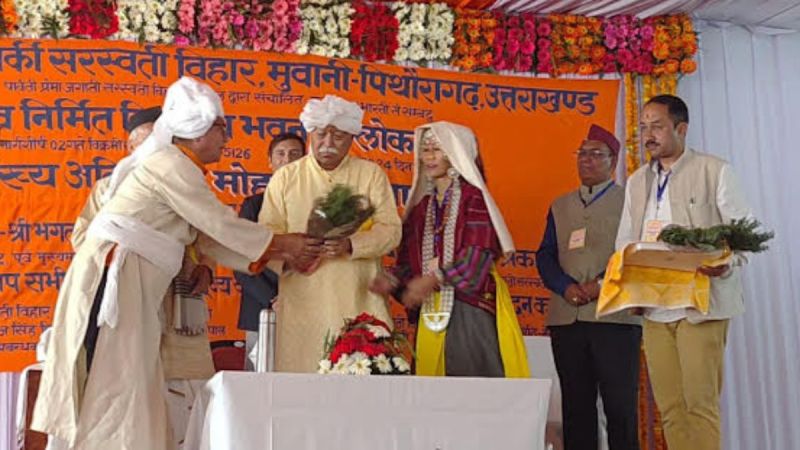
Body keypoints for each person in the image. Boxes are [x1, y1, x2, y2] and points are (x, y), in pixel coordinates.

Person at [32, 76, 318, 450]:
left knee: (135, 380)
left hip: (134, 283)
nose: (226, 139)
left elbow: (208, 237)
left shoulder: (178, 166)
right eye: (221, 129)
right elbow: (219, 224)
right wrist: (284, 245)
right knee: (117, 380)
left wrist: (280, 253)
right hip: (116, 280)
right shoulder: (171, 165)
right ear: (198, 132)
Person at [69, 105, 218, 448]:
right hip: (124, 296)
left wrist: (205, 266)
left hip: (175, 296)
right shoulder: (108, 188)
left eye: (157, 141)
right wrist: (138, 246)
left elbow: (206, 235)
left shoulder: (183, 180)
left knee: (178, 393)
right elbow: (83, 239)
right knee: (123, 380)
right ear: (130, 148)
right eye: (142, 143)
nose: (150, 150)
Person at [615, 95, 753, 450]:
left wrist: (725, 263)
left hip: (700, 303)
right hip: (655, 308)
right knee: (671, 408)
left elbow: (744, 232)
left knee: (699, 405)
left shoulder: (714, 170)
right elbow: (626, 241)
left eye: (657, 126)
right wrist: (629, 290)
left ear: (681, 128)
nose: (648, 134)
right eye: (643, 127)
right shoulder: (636, 181)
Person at [370, 121, 528, 378]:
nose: (428, 157)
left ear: (456, 155)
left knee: (470, 391)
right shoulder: (421, 208)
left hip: (470, 308)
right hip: (431, 310)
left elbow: (477, 259)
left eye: (437, 149)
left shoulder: (474, 199)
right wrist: (393, 281)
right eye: (425, 149)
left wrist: (433, 279)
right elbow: (409, 266)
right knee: (430, 393)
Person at [258, 94, 402, 373]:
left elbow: (391, 230)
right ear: (310, 133)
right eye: (321, 134)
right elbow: (266, 236)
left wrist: (351, 245)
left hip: (359, 300)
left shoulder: (371, 174)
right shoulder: (286, 177)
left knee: (361, 387)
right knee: (301, 389)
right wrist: (292, 258)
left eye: (338, 136)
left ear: (352, 137)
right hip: (302, 303)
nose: (327, 144)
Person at [537, 124, 641, 450]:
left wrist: (599, 285)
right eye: (582, 153)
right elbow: (546, 254)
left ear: (613, 160)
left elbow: (636, 253)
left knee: (620, 407)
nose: (587, 160)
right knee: (576, 407)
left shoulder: (631, 202)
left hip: (615, 319)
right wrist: (565, 287)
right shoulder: (560, 204)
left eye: (596, 154)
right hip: (567, 319)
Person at [235, 133, 306, 370]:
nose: (287, 160)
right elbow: (241, 260)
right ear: (270, 161)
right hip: (263, 309)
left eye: (295, 154)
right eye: (281, 154)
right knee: (257, 388)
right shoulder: (253, 205)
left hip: (309, 307)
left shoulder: (318, 204)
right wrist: (273, 300)